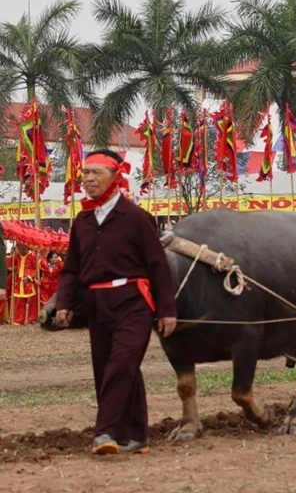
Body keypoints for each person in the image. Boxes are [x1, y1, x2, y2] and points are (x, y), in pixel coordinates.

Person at [55, 150, 177, 455]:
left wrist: (167, 310)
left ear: (115, 177)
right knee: (111, 368)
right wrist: (64, 305)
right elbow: (71, 268)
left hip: (134, 302)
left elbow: (158, 266)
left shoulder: (137, 218)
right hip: (97, 305)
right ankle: (136, 435)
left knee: (121, 363)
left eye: (96, 172)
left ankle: (105, 432)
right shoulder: (82, 222)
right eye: (85, 173)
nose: (89, 179)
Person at [10, 244, 41, 325]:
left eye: (21, 249)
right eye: (19, 249)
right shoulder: (17, 256)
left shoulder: (33, 255)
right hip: (19, 282)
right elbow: (13, 264)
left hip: (29, 282)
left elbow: (36, 268)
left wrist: (29, 277)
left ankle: (32, 319)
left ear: (26, 248)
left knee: (32, 302)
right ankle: (18, 320)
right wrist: (11, 254)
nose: (20, 251)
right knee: (19, 302)